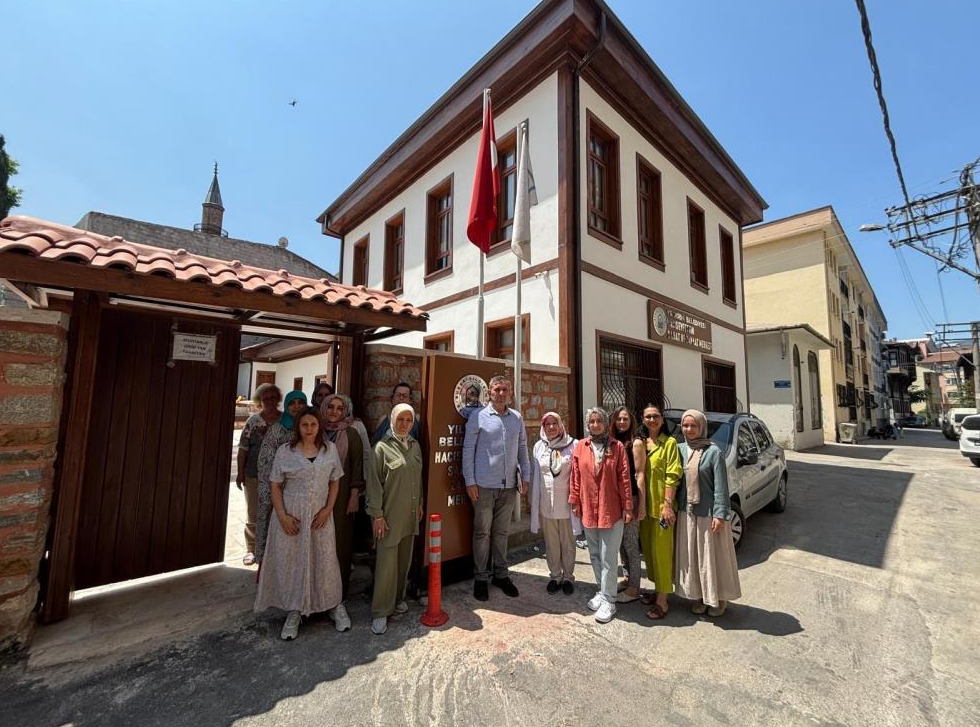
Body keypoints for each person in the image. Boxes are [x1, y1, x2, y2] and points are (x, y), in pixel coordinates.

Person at [254, 407, 348, 640]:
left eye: (313, 425)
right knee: (293, 563)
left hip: (319, 516)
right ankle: (294, 611)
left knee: (324, 560)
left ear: (319, 427)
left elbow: (335, 481)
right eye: (304, 425)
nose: (308, 430)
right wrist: (282, 515)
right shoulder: (286, 451)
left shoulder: (330, 450)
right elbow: (275, 484)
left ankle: (333, 605)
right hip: (291, 516)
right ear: (298, 427)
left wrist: (328, 509)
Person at [461, 375, 531, 601]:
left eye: (505, 390)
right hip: (482, 486)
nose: (501, 393)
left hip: (509, 486)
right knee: (482, 532)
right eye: (497, 389)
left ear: (510, 393)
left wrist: (526, 476)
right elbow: (468, 450)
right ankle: (481, 578)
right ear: (489, 392)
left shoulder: (516, 418)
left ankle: (501, 575)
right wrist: (469, 481)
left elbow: (522, 448)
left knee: (501, 532)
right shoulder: (478, 417)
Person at [674, 409, 741, 617]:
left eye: (693, 425)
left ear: (701, 427)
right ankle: (700, 597)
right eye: (685, 425)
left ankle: (719, 599)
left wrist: (720, 515)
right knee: (694, 558)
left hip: (709, 515)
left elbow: (721, 487)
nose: (689, 429)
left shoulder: (713, 452)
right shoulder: (679, 449)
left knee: (712, 559)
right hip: (687, 513)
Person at [569, 407, 632, 624]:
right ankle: (602, 591)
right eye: (592, 422)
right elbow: (575, 477)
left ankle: (610, 600)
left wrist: (628, 506)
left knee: (608, 557)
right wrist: (575, 501)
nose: (595, 425)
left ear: (606, 423)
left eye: (599, 421)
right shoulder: (581, 446)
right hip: (589, 509)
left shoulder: (617, 447)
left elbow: (624, 478)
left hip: (610, 510)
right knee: (594, 554)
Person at [367, 402, 423, 635]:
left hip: (409, 513)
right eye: (400, 419)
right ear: (392, 419)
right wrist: (377, 515)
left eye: (408, 420)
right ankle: (381, 611)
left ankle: (398, 599)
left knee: (403, 561)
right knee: (386, 564)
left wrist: (419, 503)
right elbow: (374, 484)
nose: (404, 424)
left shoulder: (415, 445)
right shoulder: (381, 447)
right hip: (388, 515)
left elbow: (418, 478)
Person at [633, 403, 683, 620]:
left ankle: (663, 600)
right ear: (643, 419)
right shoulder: (643, 443)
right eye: (648, 417)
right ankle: (656, 591)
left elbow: (673, 475)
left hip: (662, 509)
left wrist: (667, 505)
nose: (652, 420)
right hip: (645, 508)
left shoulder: (670, 443)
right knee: (650, 554)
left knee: (662, 554)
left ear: (662, 420)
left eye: (655, 416)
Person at [320, 394, 365, 600]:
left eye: (340, 408)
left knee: (340, 543)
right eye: (331, 407)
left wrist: (354, 496)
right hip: (316, 494)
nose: (334, 412)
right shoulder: (314, 429)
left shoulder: (351, 434)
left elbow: (357, 468)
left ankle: (338, 594)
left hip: (343, 495)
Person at [255, 390, 308, 564]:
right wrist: (269, 491)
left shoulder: (309, 427)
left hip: (300, 494)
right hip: (276, 490)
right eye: (293, 403)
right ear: (286, 405)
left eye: (301, 402)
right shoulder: (277, 429)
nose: (297, 406)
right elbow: (265, 461)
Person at [529, 412, 577, 594]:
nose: (551, 427)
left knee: (567, 542)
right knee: (551, 543)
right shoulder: (539, 447)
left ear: (560, 425)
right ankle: (555, 576)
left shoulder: (572, 445)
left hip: (566, 504)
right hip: (546, 504)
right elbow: (535, 476)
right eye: (547, 424)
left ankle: (568, 578)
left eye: (554, 423)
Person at [236, 384, 281, 566]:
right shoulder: (253, 421)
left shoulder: (285, 420)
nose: (269, 401)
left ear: (278, 399)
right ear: (259, 401)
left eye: (272, 397)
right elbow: (243, 449)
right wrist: (240, 473)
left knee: (275, 512)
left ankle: (270, 547)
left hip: (279, 476)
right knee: (253, 512)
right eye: (265, 398)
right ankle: (251, 548)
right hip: (253, 474)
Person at [611, 406, 644, 604]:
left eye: (625, 419)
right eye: (618, 419)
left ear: (631, 421)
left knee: (631, 544)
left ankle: (634, 588)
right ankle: (627, 578)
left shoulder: (636, 443)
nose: (622, 422)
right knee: (621, 543)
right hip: (616, 498)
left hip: (631, 497)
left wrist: (640, 505)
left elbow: (639, 474)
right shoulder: (613, 442)